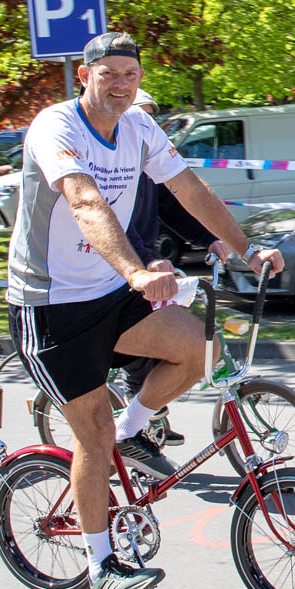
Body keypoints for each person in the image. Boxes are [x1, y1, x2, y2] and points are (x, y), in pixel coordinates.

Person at [7, 31, 284, 589]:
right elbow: (85, 201)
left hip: (108, 292)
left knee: (202, 348)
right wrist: (136, 273)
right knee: (92, 432)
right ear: (84, 76)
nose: (119, 85)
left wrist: (245, 249)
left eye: (128, 75)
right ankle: (102, 566)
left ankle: (136, 432)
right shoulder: (54, 126)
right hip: (50, 305)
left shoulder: (138, 127)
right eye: (107, 74)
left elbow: (189, 189)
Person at [119, 87, 232, 448]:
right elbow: (112, 226)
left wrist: (210, 238)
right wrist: (146, 263)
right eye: (141, 114)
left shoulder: (148, 165)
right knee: (143, 340)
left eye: (152, 115)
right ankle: (132, 421)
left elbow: (175, 205)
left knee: (187, 331)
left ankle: (148, 411)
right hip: (118, 266)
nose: (148, 122)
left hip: (145, 262)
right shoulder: (110, 165)